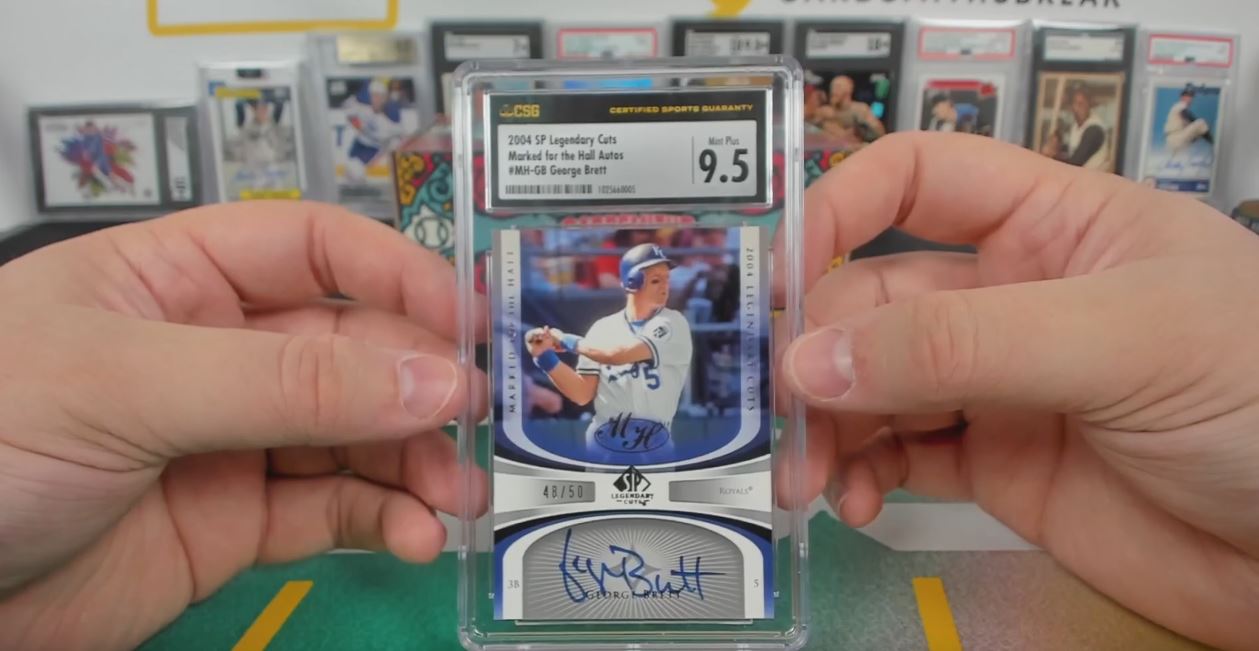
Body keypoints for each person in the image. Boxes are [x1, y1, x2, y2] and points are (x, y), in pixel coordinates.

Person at [0, 132, 1255, 651]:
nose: (649, 282)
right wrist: (540, 363)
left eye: (659, 272)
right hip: (597, 459)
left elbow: (606, 365)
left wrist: (569, 361)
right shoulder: (607, 318)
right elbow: (569, 376)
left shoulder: (674, 323)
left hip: (676, 457)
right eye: (641, 271)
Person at [526, 244, 693, 454]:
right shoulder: (603, 328)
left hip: (654, 446)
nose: (665, 287)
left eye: (666, 279)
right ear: (632, 282)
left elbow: (616, 354)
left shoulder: (673, 323)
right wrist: (545, 358)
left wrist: (567, 340)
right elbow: (581, 394)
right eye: (656, 280)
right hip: (604, 446)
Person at [340, 78, 409, 184]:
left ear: (384, 98)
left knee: (355, 170)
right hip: (359, 143)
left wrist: (379, 157)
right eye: (373, 95)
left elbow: (399, 139)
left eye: (379, 96)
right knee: (349, 170)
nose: (375, 99)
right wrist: (358, 126)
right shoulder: (362, 108)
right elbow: (348, 111)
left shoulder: (390, 122)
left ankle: (359, 184)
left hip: (373, 148)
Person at [1040, 85, 1110, 170]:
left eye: (1081, 104)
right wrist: (1055, 148)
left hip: (1092, 176)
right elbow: (1071, 150)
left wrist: (1052, 157)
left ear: (1089, 104)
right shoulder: (1076, 126)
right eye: (1074, 104)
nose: (1077, 108)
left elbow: (1075, 163)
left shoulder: (1094, 129)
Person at [1164, 84, 1215, 154]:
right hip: (1175, 138)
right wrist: (1201, 127)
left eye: (1191, 96)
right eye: (1187, 96)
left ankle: (1213, 145)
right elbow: (1187, 115)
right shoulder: (1180, 105)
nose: (1190, 98)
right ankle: (1215, 144)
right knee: (1201, 123)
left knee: (1200, 131)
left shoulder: (1177, 109)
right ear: (1182, 97)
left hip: (1173, 141)